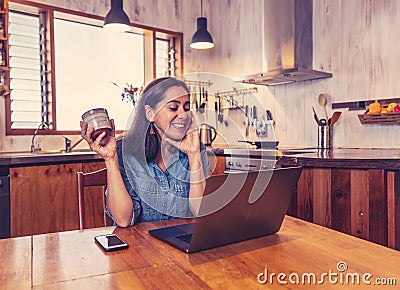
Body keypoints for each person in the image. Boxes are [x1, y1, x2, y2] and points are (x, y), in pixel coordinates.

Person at [80, 77, 209, 227]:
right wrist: (111, 159)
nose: (183, 114)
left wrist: (194, 157)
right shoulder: (125, 152)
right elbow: (123, 219)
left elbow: (201, 213)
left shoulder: (195, 149)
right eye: (173, 107)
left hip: (180, 245)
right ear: (150, 114)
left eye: (186, 108)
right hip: (140, 246)